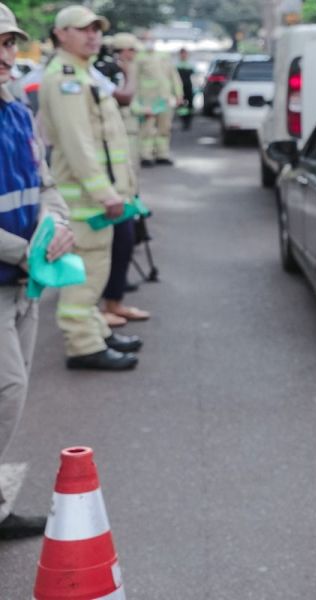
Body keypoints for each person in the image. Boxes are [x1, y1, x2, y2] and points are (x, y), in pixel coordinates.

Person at [0, 1, 75, 538]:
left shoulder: (16, 112)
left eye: (8, 43)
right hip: (13, 269)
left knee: (13, 393)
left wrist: (57, 227)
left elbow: (44, 184)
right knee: (6, 391)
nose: (7, 54)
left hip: (25, 280)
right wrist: (23, 251)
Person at [40, 5, 141, 370]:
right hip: (85, 200)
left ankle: (96, 331)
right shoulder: (66, 77)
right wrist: (106, 194)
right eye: (83, 29)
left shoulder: (86, 72)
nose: (93, 35)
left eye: (96, 29)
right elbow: (77, 144)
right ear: (61, 34)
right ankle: (83, 345)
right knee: (84, 275)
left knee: (95, 271)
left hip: (98, 197)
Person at [99, 32, 149, 327]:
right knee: (107, 247)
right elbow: (126, 98)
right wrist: (128, 74)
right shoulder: (104, 73)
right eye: (129, 51)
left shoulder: (95, 73)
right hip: (105, 178)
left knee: (124, 238)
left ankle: (114, 302)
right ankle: (99, 317)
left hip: (122, 162)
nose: (132, 55)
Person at [132, 33, 181, 167]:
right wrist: (135, 101)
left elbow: (173, 76)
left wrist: (178, 94)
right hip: (148, 100)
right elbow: (134, 80)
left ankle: (162, 154)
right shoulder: (139, 58)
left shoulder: (163, 56)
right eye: (147, 40)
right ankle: (145, 155)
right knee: (147, 129)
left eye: (152, 39)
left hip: (164, 99)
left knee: (164, 128)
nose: (150, 42)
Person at [175, 48, 194, 131]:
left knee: (189, 105)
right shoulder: (177, 65)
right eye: (182, 54)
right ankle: (184, 120)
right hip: (180, 89)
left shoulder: (190, 65)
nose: (184, 55)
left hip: (189, 88)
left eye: (185, 54)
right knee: (182, 106)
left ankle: (188, 121)